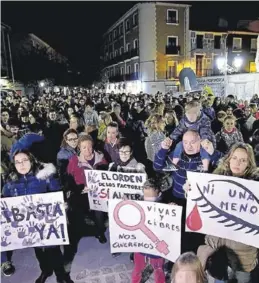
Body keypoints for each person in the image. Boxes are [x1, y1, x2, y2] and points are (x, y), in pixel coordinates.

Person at [2, 149, 72, 283]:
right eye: (17, 162)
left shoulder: (45, 176)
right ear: (14, 164)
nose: (21, 164)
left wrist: (61, 204)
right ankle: (46, 271)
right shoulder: (10, 183)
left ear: (31, 160)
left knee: (54, 250)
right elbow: (7, 203)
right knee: (39, 252)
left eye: (24, 160)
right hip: (30, 227)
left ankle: (60, 274)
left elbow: (57, 193)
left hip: (48, 223)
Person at [196, 143, 259, 283]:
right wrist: (190, 190)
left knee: (244, 279)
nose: (237, 162)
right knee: (218, 277)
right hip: (217, 244)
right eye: (235, 158)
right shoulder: (215, 178)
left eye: (243, 160)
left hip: (244, 250)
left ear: (249, 164)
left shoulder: (256, 185)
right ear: (229, 159)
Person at [131, 179, 166, 283]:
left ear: (159, 193)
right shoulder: (138, 205)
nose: (148, 201)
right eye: (146, 197)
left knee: (159, 270)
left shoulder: (166, 207)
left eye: (151, 197)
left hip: (157, 248)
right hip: (140, 246)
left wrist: (173, 209)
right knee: (138, 268)